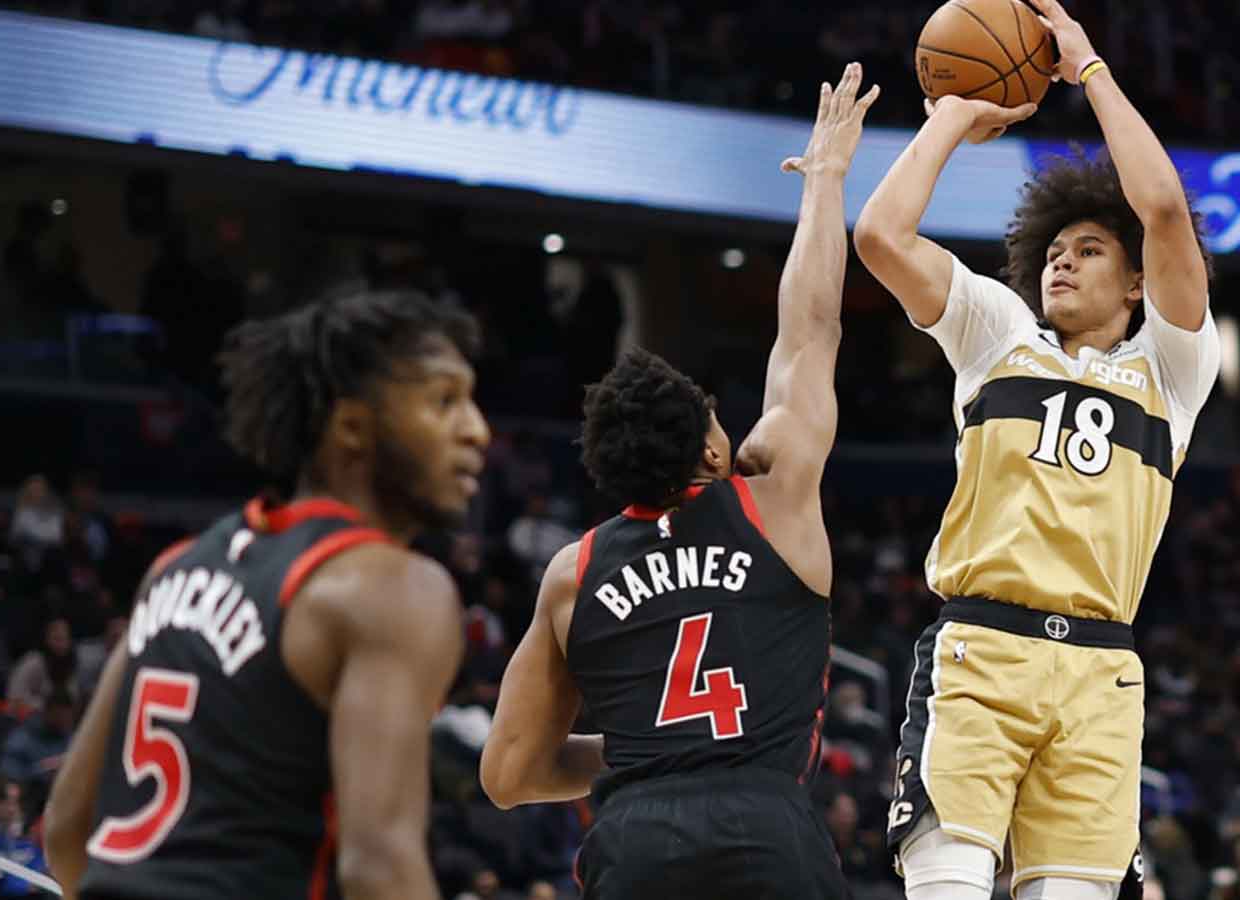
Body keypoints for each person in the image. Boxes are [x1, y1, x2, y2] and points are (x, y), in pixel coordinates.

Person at [480, 63, 878, 899]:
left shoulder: (572, 572)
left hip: (635, 838)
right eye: (711, 414)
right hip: (768, 826)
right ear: (708, 455)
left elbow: (510, 773)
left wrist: (650, 757)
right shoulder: (773, 495)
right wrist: (828, 181)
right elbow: (810, 328)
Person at [853, 3, 1219, 899]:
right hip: (983, 648)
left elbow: (1164, 207)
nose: (1061, 263)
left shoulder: (1173, 369)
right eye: (1053, 250)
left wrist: (1089, 68)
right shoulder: (996, 333)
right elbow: (879, 239)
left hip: (1103, 673)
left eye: (1088, 250)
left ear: (1135, 282)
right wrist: (947, 120)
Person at [43, 291, 491, 900]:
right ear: (353, 426)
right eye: (445, 401)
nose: (477, 431)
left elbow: (68, 832)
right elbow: (378, 869)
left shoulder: (173, 569)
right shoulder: (392, 588)